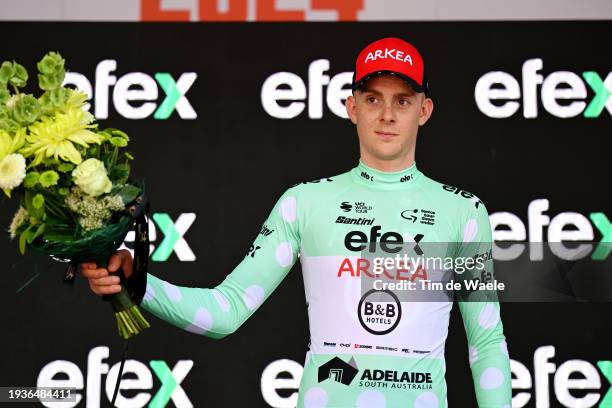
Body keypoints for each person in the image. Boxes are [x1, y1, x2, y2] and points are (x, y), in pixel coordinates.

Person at [82, 37, 511, 407]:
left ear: (425, 110)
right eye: (373, 98)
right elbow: (226, 311)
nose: (387, 114)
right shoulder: (305, 202)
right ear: (351, 106)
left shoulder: (463, 212)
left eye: (403, 100)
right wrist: (139, 282)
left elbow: (486, 343)